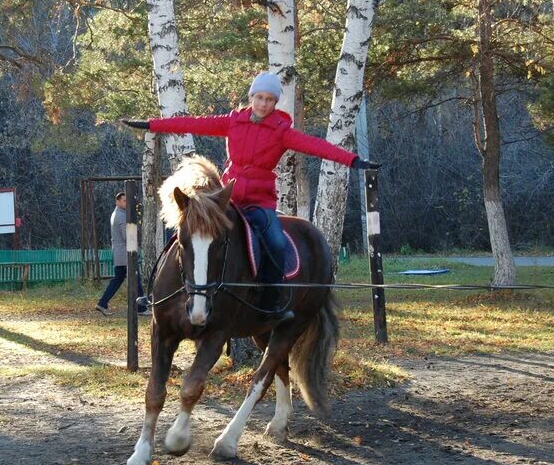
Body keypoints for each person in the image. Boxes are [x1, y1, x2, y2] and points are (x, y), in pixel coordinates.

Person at [124, 71, 381, 323]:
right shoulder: (233, 121)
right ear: (252, 97)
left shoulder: (281, 131)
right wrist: (152, 125)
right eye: (260, 97)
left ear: (275, 102)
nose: (263, 104)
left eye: (270, 100)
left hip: (260, 202)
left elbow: (317, 146)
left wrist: (354, 161)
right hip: (227, 199)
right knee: (191, 233)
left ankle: (272, 299)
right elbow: (192, 123)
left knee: (276, 243)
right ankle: (166, 289)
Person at [95, 191, 147, 316]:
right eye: (124, 200)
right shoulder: (122, 216)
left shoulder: (117, 213)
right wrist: (136, 235)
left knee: (117, 279)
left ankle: (102, 304)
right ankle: (141, 308)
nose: (126, 203)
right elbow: (128, 237)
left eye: (127, 200)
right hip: (125, 254)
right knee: (136, 279)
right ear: (117, 201)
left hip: (119, 253)